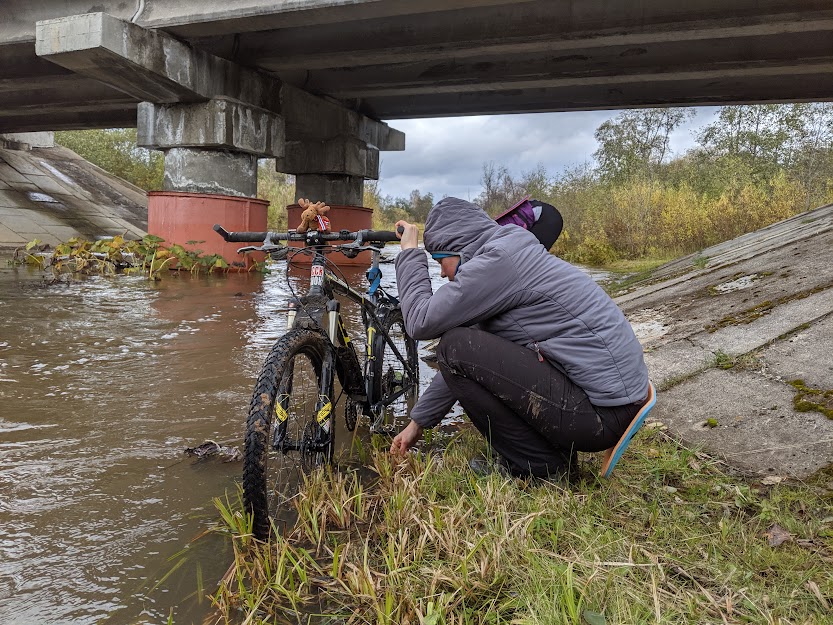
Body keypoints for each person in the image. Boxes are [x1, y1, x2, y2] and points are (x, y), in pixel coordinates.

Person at [389, 197, 649, 479]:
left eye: (440, 260)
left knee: (453, 346)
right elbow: (476, 354)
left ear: (461, 248)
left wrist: (409, 254)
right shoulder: (508, 254)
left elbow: (419, 322)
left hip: (599, 417)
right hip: (612, 406)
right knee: (460, 347)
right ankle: (548, 456)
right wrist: (418, 422)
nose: (441, 272)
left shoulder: (499, 262)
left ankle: (538, 466)